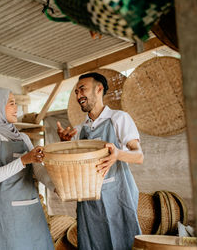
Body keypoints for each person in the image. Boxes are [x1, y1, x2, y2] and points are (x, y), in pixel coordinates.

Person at [57, 72, 144, 250]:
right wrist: (65, 145)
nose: (78, 95)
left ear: (99, 89)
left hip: (117, 198)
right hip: (88, 204)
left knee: (122, 243)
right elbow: (73, 166)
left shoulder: (119, 118)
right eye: (75, 92)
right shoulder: (80, 130)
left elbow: (139, 156)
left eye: (82, 89)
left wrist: (117, 154)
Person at [0, 87, 55, 250]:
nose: (16, 108)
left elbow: (37, 169)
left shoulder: (23, 137)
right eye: (11, 103)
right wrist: (23, 160)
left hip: (31, 208)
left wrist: (55, 186)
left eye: (16, 103)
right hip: (7, 213)